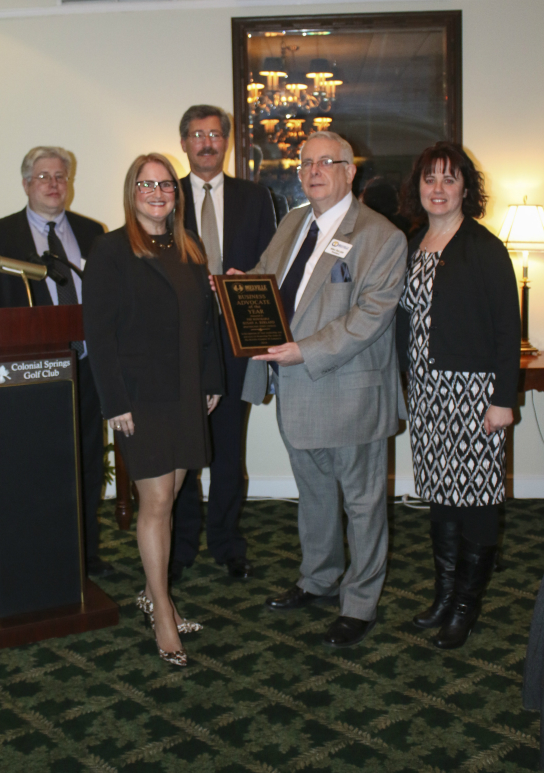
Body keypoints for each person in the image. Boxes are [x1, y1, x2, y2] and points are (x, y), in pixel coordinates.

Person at [239, 130, 408, 648]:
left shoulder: (382, 237)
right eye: (305, 163)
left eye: (325, 162)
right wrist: (239, 285)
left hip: (348, 391)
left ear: (349, 171)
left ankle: (359, 603)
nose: (313, 172)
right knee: (312, 496)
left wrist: (303, 350)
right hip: (294, 388)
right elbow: (268, 280)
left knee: (361, 503)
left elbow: (370, 319)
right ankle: (318, 579)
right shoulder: (293, 222)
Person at [82, 153, 223, 666]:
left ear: (176, 193)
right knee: (157, 500)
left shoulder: (190, 246)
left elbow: (206, 323)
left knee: (175, 490)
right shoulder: (112, 249)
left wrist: (211, 380)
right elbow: (98, 332)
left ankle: (150, 590)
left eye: (166, 184)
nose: (158, 192)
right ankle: (162, 609)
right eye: (147, 184)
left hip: (186, 388)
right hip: (141, 396)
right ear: (132, 191)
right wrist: (113, 400)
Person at [396, 141, 521, 649]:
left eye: (450, 179)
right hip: (428, 394)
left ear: (466, 188)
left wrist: (503, 398)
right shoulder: (413, 243)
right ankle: (444, 596)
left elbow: (507, 329)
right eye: (431, 179)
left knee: (476, 502)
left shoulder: (484, 247)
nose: (439, 188)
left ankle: (466, 607)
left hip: (474, 395)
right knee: (441, 497)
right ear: (418, 188)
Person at [0, 146, 112, 578]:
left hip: (86, 368)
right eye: (44, 176)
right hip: (29, 374)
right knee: (36, 465)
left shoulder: (93, 232)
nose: (54, 184)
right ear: (26, 184)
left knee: (86, 461)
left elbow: (106, 301)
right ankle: (37, 554)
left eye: (60, 176)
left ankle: (85, 555)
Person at [171, 105, 276, 581]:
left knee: (230, 447)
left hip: (236, 339)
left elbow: (273, 267)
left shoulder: (256, 198)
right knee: (185, 445)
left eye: (215, 134)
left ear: (227, 142)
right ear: (184, 143)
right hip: (182, 341)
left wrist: (248, 279)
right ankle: (182, 541)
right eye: (197, 135)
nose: (207, 143)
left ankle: (228, 542)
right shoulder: (163, 195)